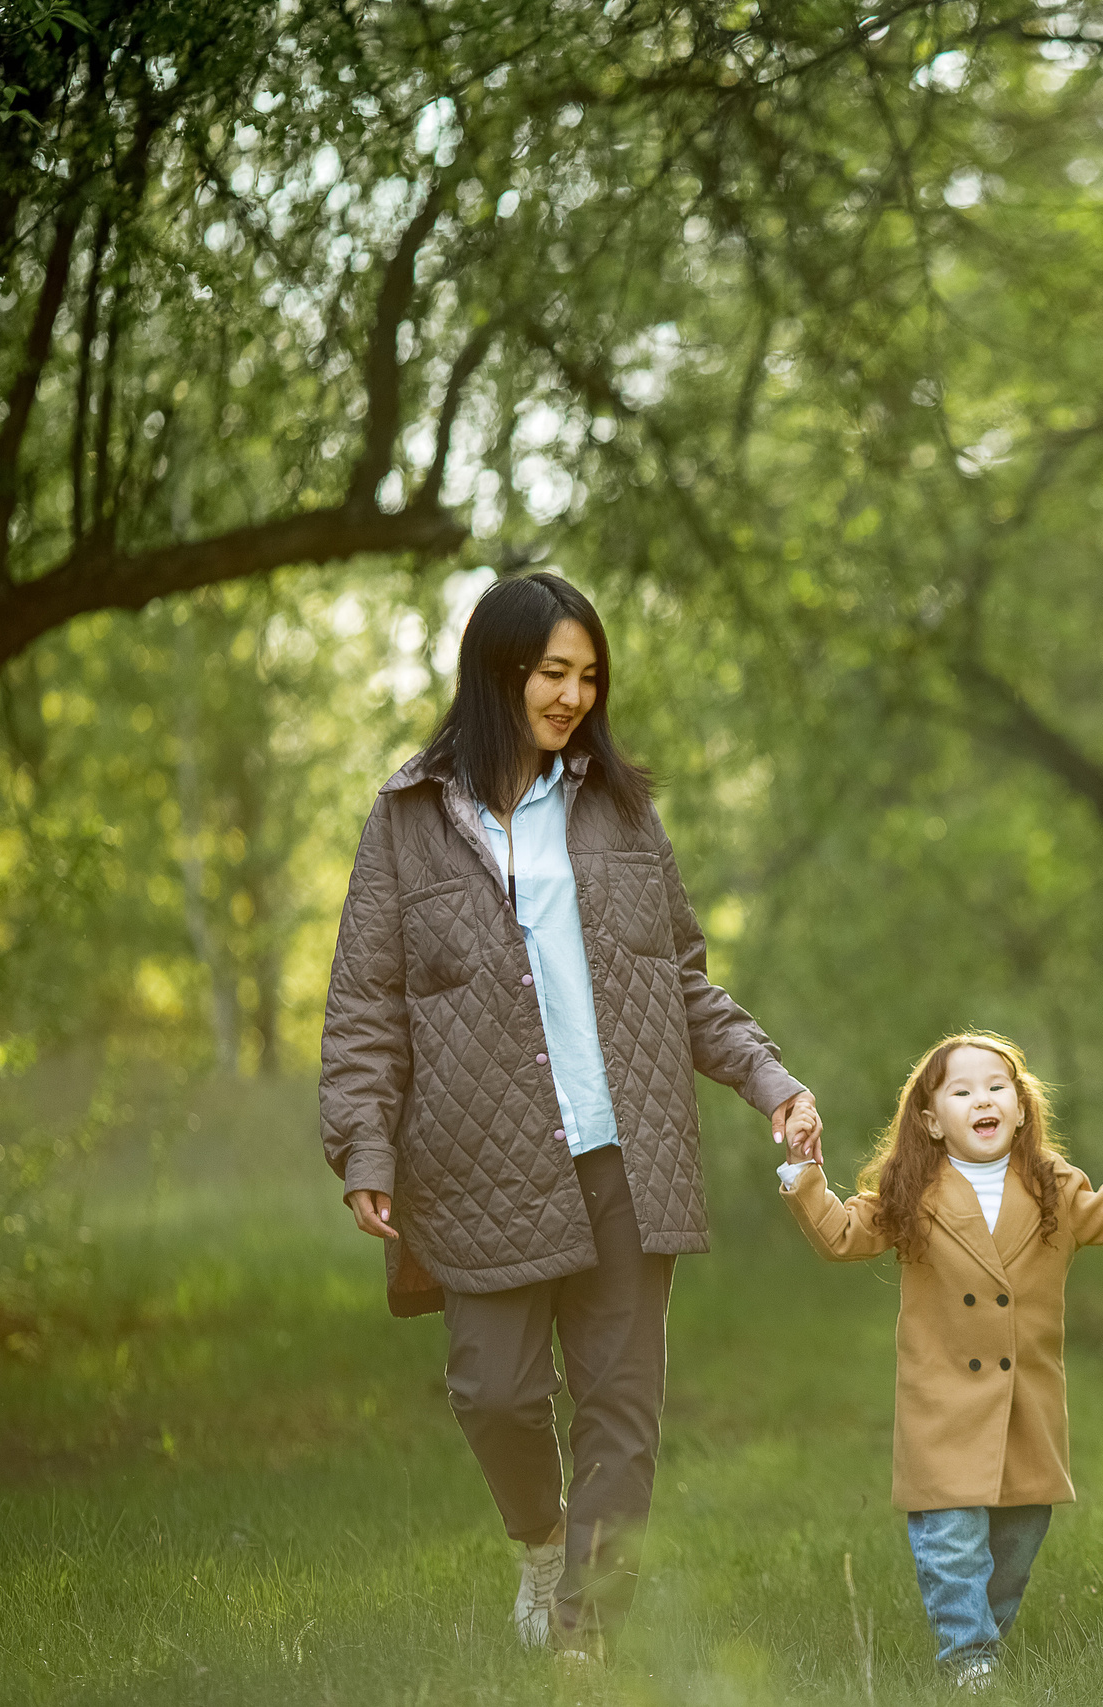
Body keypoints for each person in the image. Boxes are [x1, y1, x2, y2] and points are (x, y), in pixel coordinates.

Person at [319, 571, 821, 1656]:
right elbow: (365, 1002)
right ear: (499, 669)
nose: (573, 696)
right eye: (554, 671)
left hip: (625, 1155)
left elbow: (682, 978)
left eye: (589, 677)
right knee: (492, 1394)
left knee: (620, 1413)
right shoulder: (407, 818)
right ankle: (539, 1543)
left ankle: (584, 1638)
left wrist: (769, 1079)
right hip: (473, 1162)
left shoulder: (619, 807)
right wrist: (363, 1144)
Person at [777, 1033, 1103, 1691]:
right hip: (942, 1401)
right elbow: (843, 1233)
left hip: (1026, 1402)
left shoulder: (1055, 1186)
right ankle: (967, 1654)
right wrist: (802, 1173)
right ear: (932, 1120)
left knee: (1015, 1542)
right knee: (950, 1536)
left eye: (996, 1086)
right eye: (960, 1091)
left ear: (1020, 1107)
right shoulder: (913, 1191)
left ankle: (983, 1635)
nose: (981, 1099)